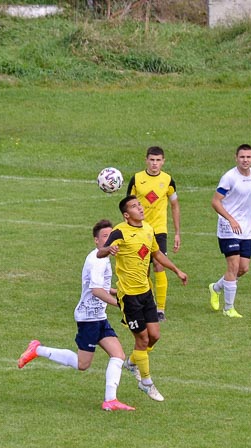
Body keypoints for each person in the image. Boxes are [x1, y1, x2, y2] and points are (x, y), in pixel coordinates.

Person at [17, 219, 135, 412]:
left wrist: (118, 293)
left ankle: (110, 400)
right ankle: (37, 350)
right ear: (96, 241)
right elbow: (96, 290)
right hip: (88, 318)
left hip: (99, 316)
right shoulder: (97, 260)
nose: (110, 240)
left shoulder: (103, 258)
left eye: (112, 236)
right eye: (105, 237)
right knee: (82, 364)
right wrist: (121, 305)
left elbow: (102, 288)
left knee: (118, 355)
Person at [97, 195, 187, 402]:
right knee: (143, 338)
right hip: (129, 297)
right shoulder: (119, 231)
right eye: (135, 206)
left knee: (155, 336)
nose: (140, 208)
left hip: (146, 292)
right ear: (127, 215)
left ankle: (132, 362)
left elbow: (156, 254)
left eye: (140, 204)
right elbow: (100, 253)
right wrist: (108, 250)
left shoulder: (148, 229)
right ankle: (146, 382)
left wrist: (176, 270)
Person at [208, 144, 251, 318]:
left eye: (248, 157)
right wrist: (230, 219)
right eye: (242, 157)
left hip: (246, 230)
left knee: (243, 268)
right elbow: (216, 201)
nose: (245, 160)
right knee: (233, 266)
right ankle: (228, 308)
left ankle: (216, 287)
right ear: (236, 158)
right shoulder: (229, 177)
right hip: (228, 229)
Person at [125, 146, 181, 321]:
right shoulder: (136, 179)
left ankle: (161, 309)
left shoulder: (168, 180)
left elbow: (174, 205)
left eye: (158, 160)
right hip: (139, 231)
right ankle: (146, 304)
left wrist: (177, 232)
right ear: (146, 160)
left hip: (158, 231)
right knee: (143, 269)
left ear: (163, 161)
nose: (155, 163)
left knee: (159, 265)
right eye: (152, 160)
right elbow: (128, 204)